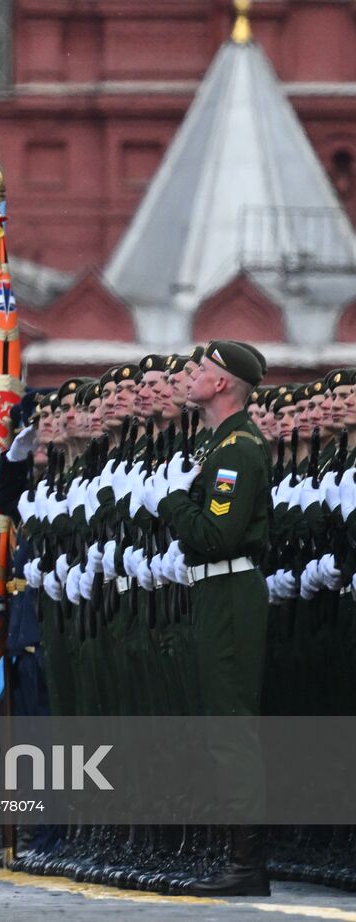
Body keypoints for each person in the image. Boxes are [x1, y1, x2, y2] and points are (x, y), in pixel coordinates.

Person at [151, 340, 272, 897]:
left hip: (228, 591)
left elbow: (214, 534)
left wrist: (173, 504)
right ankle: (237, 855)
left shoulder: (236, 451)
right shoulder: (221, 445)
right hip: (216, 590)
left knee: (231, 728)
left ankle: (246, 863)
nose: (192, 375)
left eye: (202, 369)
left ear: (222, 384)